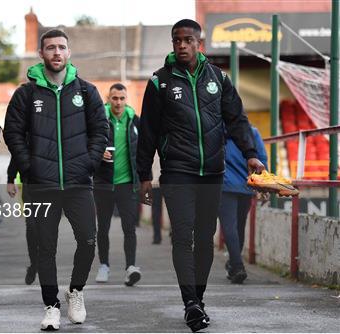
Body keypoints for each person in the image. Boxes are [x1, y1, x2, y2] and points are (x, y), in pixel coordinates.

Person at [137, 19, 265, 332]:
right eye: (176, 40)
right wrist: (143, 176)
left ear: (199, 43)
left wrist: (251, 154)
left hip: (213, 172)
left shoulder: (218, 80)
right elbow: (148, 133)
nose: (181, 45)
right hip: (177, 171)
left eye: (187, 40)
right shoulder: (160, 83)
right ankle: (190, 303)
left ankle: (198, 297)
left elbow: (237, 119)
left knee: (205, 239)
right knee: (182, 235)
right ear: (172, 43)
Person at [4, 29, 108, 331]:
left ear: (69, 52)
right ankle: (50, 306)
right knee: (43, 248)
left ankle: (76, 291)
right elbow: (12, 133)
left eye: (62, 47)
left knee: (88, 240)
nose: (57, 53)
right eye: (50, 48)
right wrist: (29, 166)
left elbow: (100, 130)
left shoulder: (86, 92)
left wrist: (88, 162)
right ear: (41, 53)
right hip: (41, 185)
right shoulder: (26, 94)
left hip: (78, 183)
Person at [93, 83, 142, 286]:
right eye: (115, 98)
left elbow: (144, 149)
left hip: (127, 183)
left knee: (129, 227)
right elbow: (87, 142)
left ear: (126, 99)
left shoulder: (135, 121)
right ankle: (104, 265)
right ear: (108, 98)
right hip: (103, 182)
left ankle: (131, 267)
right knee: (102, 228)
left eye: (122, 98)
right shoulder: (99, 119)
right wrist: (98, 152)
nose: (118, 102)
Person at [219, 126, 268, 284]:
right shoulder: (252, 132)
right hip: (247, 185)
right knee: (239, 226)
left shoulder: (217, 131)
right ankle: (234, 263)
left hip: (224, 185)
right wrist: (263, 184)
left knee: (229, 227)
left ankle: (237, 265)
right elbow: (262, 158)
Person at [7, 157, 39, 285]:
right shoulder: (26, 136)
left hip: (50, 182)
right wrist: (10, 179)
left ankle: (44, 265)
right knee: (31, 226)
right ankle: (34, 264)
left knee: (47, 227)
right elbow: (17, 152)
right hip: (29, 184)